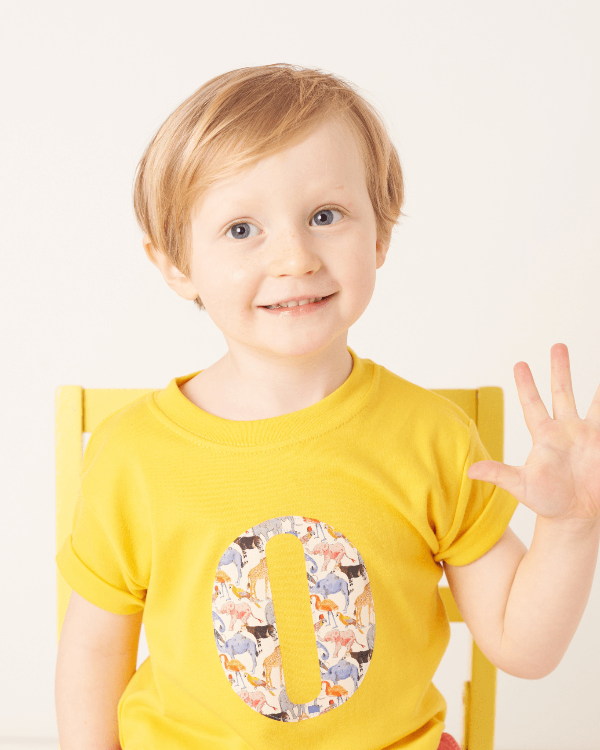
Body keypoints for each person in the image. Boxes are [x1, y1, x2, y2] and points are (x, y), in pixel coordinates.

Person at [55, 63, 600, 750]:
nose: (294, 257)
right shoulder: (131, 453)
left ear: (380, 234)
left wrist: (573, 527)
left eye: (324, 216)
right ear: (175, 262)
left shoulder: (432, 439)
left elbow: (523, 647)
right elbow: (92, 654)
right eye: (241, 229)